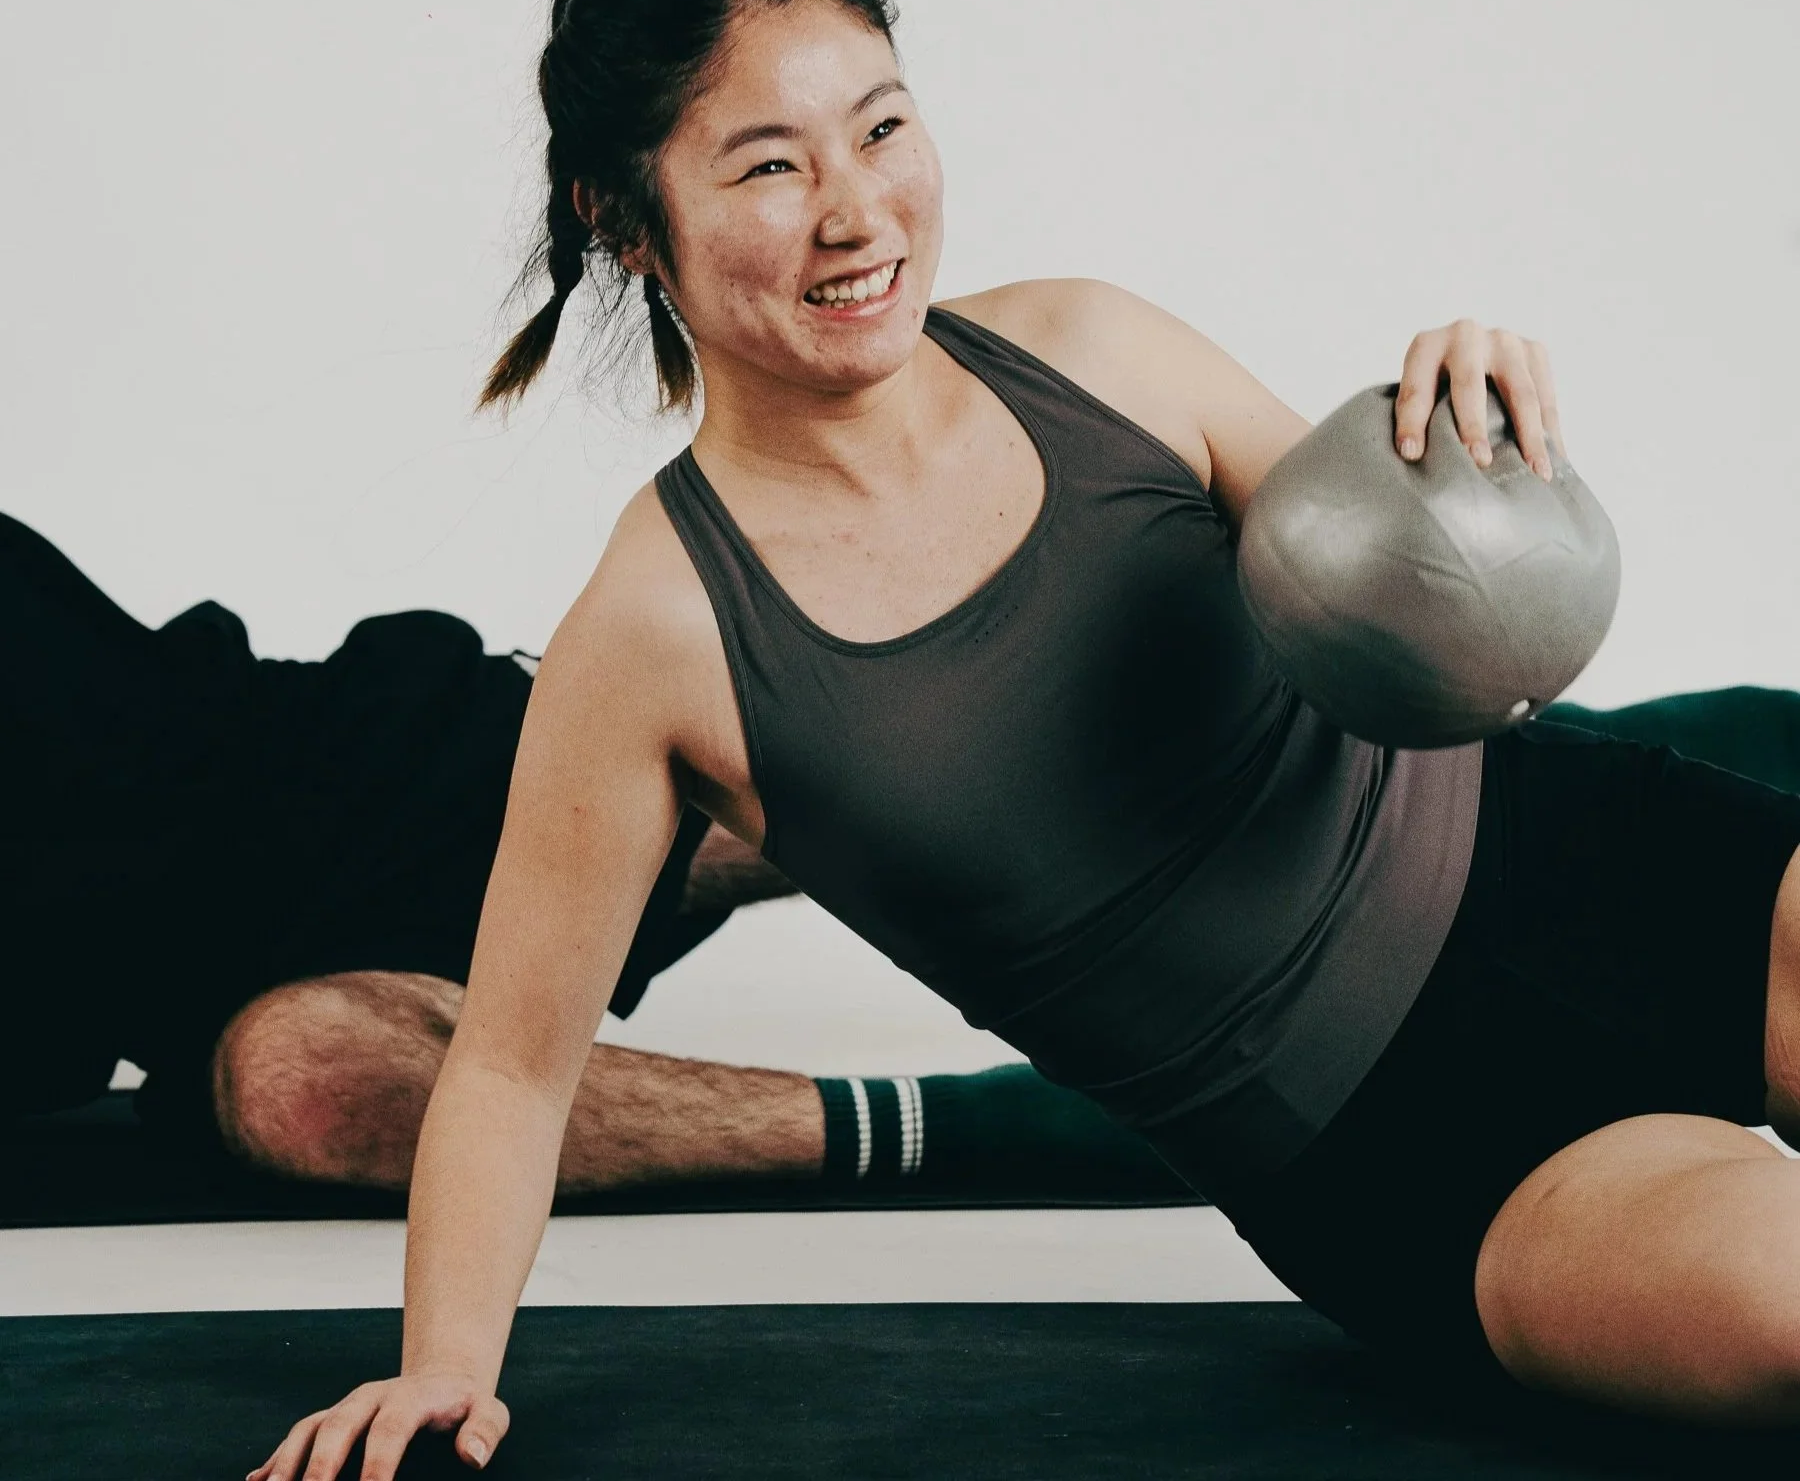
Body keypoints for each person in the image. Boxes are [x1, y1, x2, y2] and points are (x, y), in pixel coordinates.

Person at [236, 0, 1800, 1477]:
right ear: (625, 218)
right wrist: (439, 1368)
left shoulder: (1093, 352)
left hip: (1606, 867)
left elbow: (1438, 628)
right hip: (1410, 1153)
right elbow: (511, 1066)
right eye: (770, 166)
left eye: (883, 128)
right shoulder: (655, 636)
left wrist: (1460, 436)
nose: (856, 212)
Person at [7, 508, 1789, 1206]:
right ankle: (998, 1125)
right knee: (306, 1086)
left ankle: (1682, 768)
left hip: (406, 782)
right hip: (213, 999)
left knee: (1062, 763)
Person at [3, 507, 1177, 1201]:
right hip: (175, 1014)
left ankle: (1160, 813)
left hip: (308, 781)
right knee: (301, 1085)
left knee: (786, 790)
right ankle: (990, 1125)